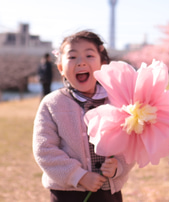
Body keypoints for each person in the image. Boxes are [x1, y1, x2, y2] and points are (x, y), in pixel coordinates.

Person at [33, 30, 134, 202]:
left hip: (108, 192)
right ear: (61, 69)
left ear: (102, 64)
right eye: (72, 57)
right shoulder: (52, 103)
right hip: (67, 192)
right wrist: (79, 176)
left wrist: (118, 166)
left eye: (89, 55)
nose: (81, 62)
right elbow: (44, 149)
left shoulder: (116, 101)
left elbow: (130, 143)